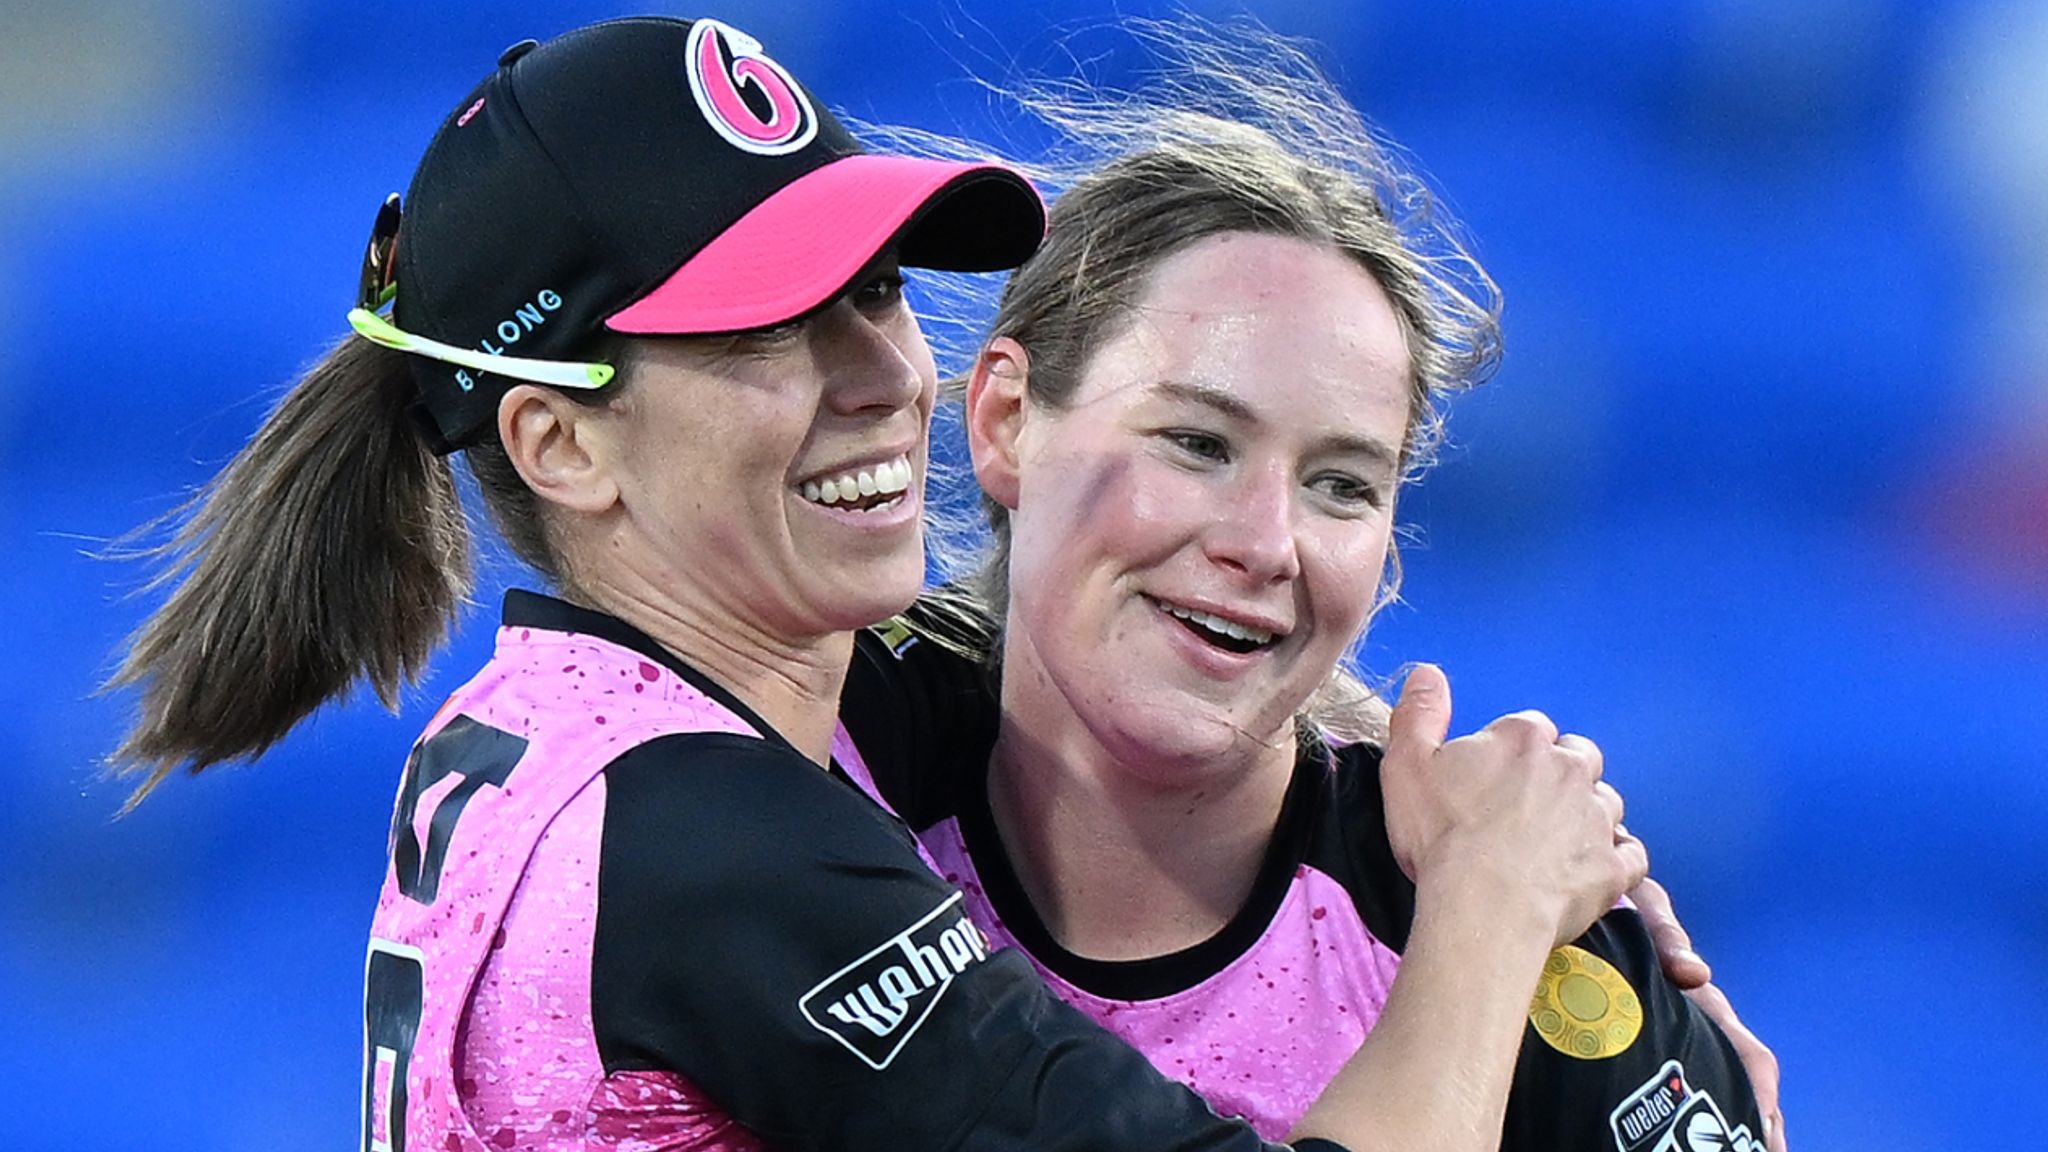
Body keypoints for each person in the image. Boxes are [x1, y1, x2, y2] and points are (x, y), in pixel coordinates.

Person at [102, 15, 1650, 1152]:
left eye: (880, 288)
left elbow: (1082, 696)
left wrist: (1632, 978)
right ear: (562, 444)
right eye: (766, 326)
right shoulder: (703, 837)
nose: (882, 373)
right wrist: (1499, 909)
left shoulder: (604, 724)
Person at [841, 24, 1782, 1152]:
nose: (1264, 542)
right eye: (1195, 442)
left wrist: (1487, 923)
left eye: (1340, 484)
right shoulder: (805, 784)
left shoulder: (1525, 934)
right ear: (1002, 421)